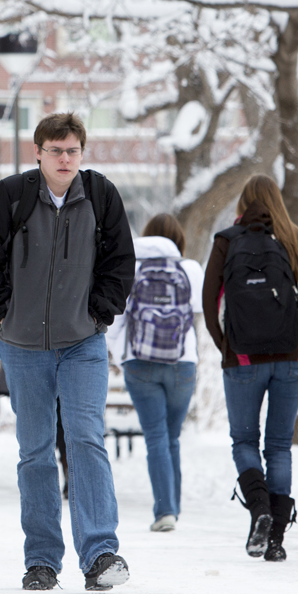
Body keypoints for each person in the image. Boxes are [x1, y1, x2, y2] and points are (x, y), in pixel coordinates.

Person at [0, 112, 136, 592]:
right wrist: (4, 313)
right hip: (23, 347)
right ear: (38, 153)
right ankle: (41, 560)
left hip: (82, 342)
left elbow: (119, 264)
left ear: (82, 154)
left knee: (86, 439)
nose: (65, 159)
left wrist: (99, 314)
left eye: (72, 151)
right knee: (36, 451)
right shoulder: (12, 195)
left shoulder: (100, 196)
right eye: (56, 150)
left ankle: (101, 553)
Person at [202, 175, 298, 563]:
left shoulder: (226, 241)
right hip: (292, 357)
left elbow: (209, 304)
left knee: (244, 441)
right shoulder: (296, 241)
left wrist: (228, 344)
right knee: (278, 446)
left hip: (241, 358)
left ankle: (258, 510)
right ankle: (275, 538)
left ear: (242, 203)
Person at [107, 214, 203, 532]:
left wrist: (123, 356)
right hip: (182, 363)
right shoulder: (190, 269)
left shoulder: (131, 268)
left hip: (140, 362)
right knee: (172, 436)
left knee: (156, 436)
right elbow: (197, 315)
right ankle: (172, 506)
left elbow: (115, 320)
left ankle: (165, 511)